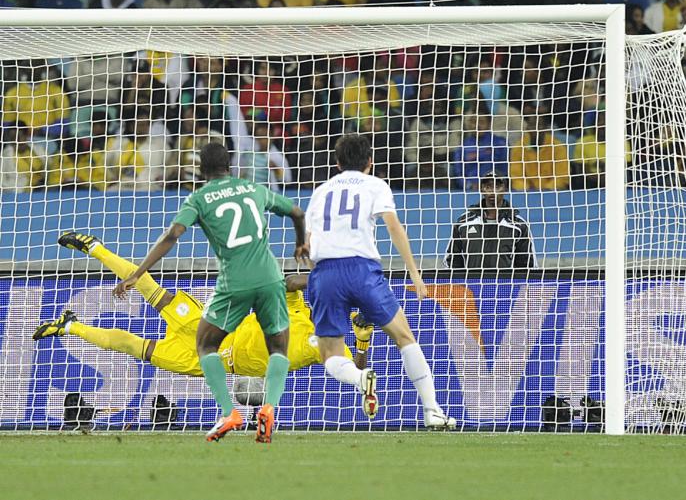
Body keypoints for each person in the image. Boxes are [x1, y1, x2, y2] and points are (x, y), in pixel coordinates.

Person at [112, 142, 308, 443]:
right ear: (229, 165)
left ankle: (230, 412)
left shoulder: (199, 198)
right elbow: (296, 211)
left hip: (235, 282)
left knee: (205, 345)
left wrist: (138, 273)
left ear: (201, 170)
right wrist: (300, 244)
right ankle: (269, 408)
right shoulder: (252, 188)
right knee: (278, 349)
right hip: (271, 277)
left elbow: (173, 235)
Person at [35, 233, 372, 381]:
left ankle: (70, 326)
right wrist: (322, 280)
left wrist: (362, 341)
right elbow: (287, 284)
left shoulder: (327, 345)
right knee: (151, 290)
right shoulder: (295, 310)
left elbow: (355, 372)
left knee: (132, 346)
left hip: (205, 361)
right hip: (210, 327)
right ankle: (95, 248)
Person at [305, 134, 456, 430]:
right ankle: (432, 410)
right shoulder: (375, 184)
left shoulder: (320, 191)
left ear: (337, 163)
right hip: (363, 270)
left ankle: (360, 377)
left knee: (330, 353)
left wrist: (317, 276)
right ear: (370, 163)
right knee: (404, 337)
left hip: (325, 272)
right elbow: (392, 226)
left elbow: (308, 241)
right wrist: (414, 272)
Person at [444, 171, 536, 270]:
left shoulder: (518, 225)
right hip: (470, 284)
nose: (492, 191)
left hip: (505, 285)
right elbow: (452, 260)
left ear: (505, 189)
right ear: (482, 190)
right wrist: (460, 285)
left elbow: (527, 264)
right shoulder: (464, 222)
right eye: (488, 187)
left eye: (497, 187)